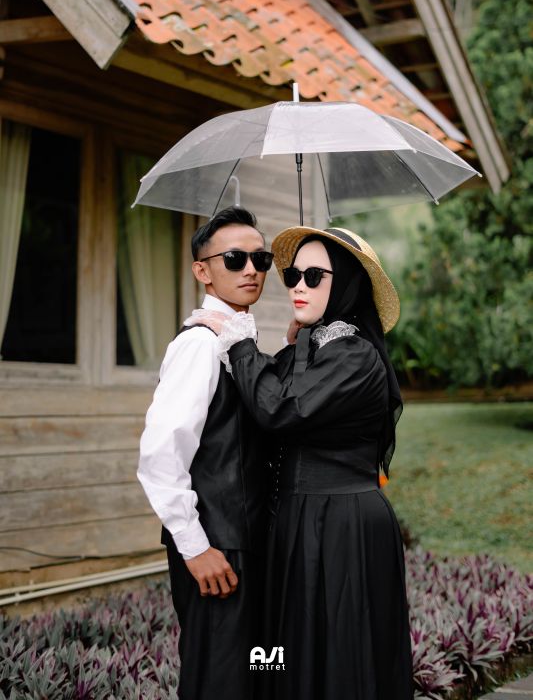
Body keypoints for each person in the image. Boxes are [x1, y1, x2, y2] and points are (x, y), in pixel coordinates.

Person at [188, 225, 414, 700]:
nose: (298, 286)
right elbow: (276, 390)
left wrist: (240, 342)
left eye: (314, 276)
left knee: (340, 652)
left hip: (342, 523)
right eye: (293, 275)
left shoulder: (355, 356)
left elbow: (279, 409)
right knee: (293, 651)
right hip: (301, 519)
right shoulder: (321, 348)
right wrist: (296, 348)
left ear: (346, 283)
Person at [137, 206, 273, 700]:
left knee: (262, 667)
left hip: (252, 541)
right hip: (217, 547)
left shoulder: (239, 339)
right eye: (235, 259)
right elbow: (160, 455)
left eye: (261, 259)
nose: (252, 269)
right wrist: (195, 548)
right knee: (220, 678)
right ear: (203, 271)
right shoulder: (199, 344)